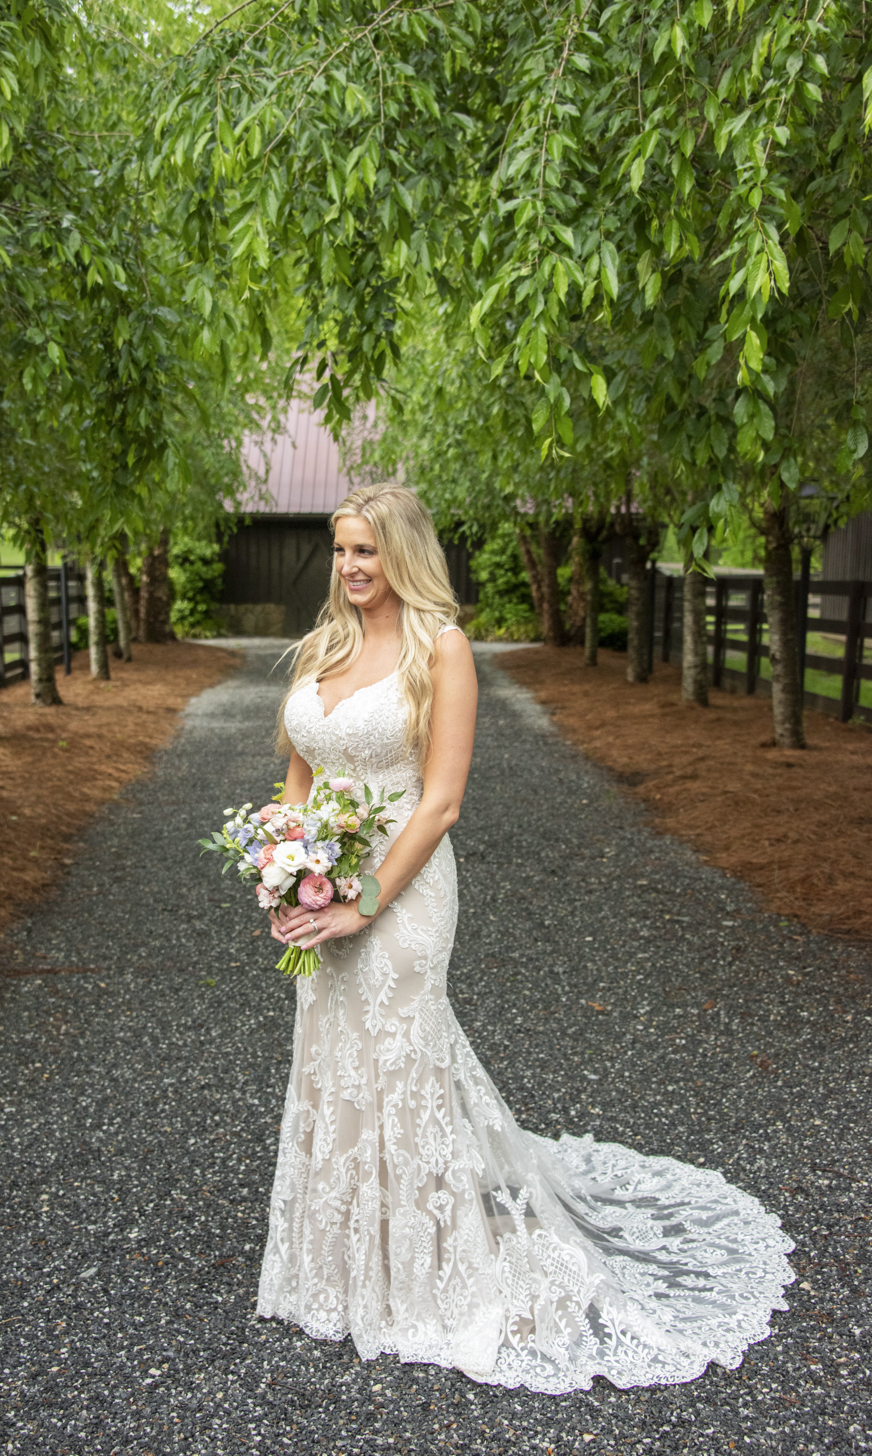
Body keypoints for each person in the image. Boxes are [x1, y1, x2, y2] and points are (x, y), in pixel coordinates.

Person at [258, 482, 793, 1393]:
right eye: (343, 549)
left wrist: (366, 899)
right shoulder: (320, 647)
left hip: (405, 886)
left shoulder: (443, 650)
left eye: (370, 551)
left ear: (405, 554)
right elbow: (299, 775)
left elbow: (443, 801)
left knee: (400, 1055)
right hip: (325, 883)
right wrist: (284, 868)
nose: (352, 566)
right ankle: (344, 1259)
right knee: (334, 1053)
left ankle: (426, 1270)